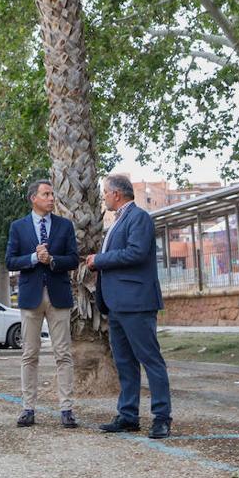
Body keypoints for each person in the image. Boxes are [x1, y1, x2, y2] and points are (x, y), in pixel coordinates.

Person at [86, 174, 172, 439]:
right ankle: (128, 415)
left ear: (117, 194)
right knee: (124, 362)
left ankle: (161, 417)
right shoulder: (118, 220)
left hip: (136, 302)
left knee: (150, 359)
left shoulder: (139, 218)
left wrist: (99, 260)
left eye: (105, 193)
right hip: (116, 304)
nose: (104, 198)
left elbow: (135, 253)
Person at [6, 179, 81, 428]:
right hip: (30, 297)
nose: (51, 198)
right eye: (46, 194)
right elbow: (11, 261)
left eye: (52, 194)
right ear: (33, 198)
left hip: (58, 296)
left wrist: (51, 260)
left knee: (63, 354)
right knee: (29, 354)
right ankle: (28, 408)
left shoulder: (64, 226)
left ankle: (66, 409)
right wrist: (32, 258)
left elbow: (73, 259)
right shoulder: (18, 227)